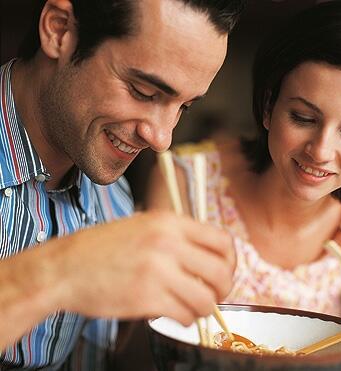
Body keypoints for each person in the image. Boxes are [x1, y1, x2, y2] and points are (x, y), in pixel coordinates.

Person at [0, 0, 244, 369]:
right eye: (144, 92)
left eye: (184, 107)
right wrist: (60, 271)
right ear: (59, 30)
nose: (162, 137)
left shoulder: (114, 199)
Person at [147, 1, 341, 317]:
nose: (320, 151)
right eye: (303, 117)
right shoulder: (185, 184)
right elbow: (142, 343)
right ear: (269, 106)